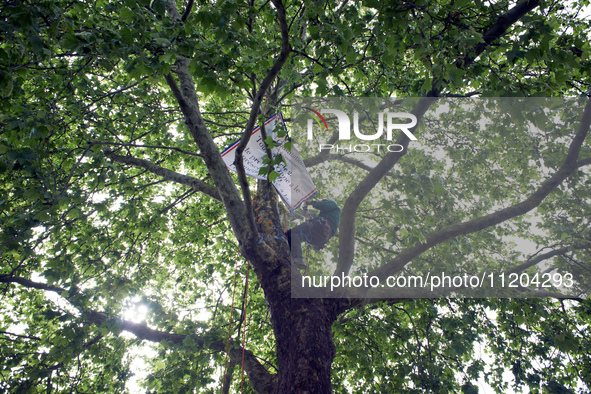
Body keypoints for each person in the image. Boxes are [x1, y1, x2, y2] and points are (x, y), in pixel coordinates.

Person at [286, 198, 341, 269]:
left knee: (292, 232)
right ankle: (297, 259)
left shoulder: (333, 205)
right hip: (320, 240)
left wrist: (310, 202)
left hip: (319, 228)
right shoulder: (332, 218)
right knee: (296, 237)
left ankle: (294, 253)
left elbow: (323, 205)